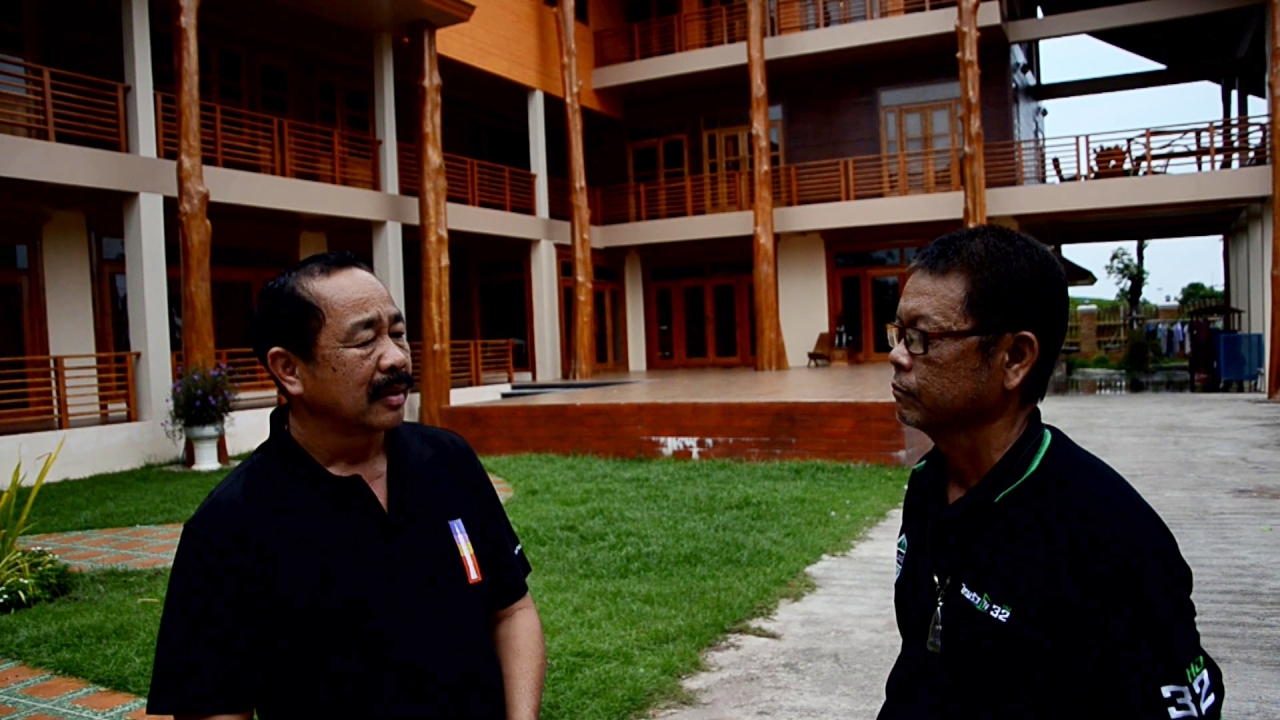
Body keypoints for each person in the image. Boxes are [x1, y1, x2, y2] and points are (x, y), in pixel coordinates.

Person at [148, 251, 545, 720]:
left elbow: (512, 610)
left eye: (397, 333)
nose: (395, 357)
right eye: (365, 341)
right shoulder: (231, 527)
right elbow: (213, 709)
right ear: (289, 369)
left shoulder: (447, 460)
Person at [879, 225, 1223, 720]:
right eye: (898, 333)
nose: (897, 356)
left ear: (1015, 358)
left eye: (921, 338)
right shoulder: (930, 482)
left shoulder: (1111, 537)